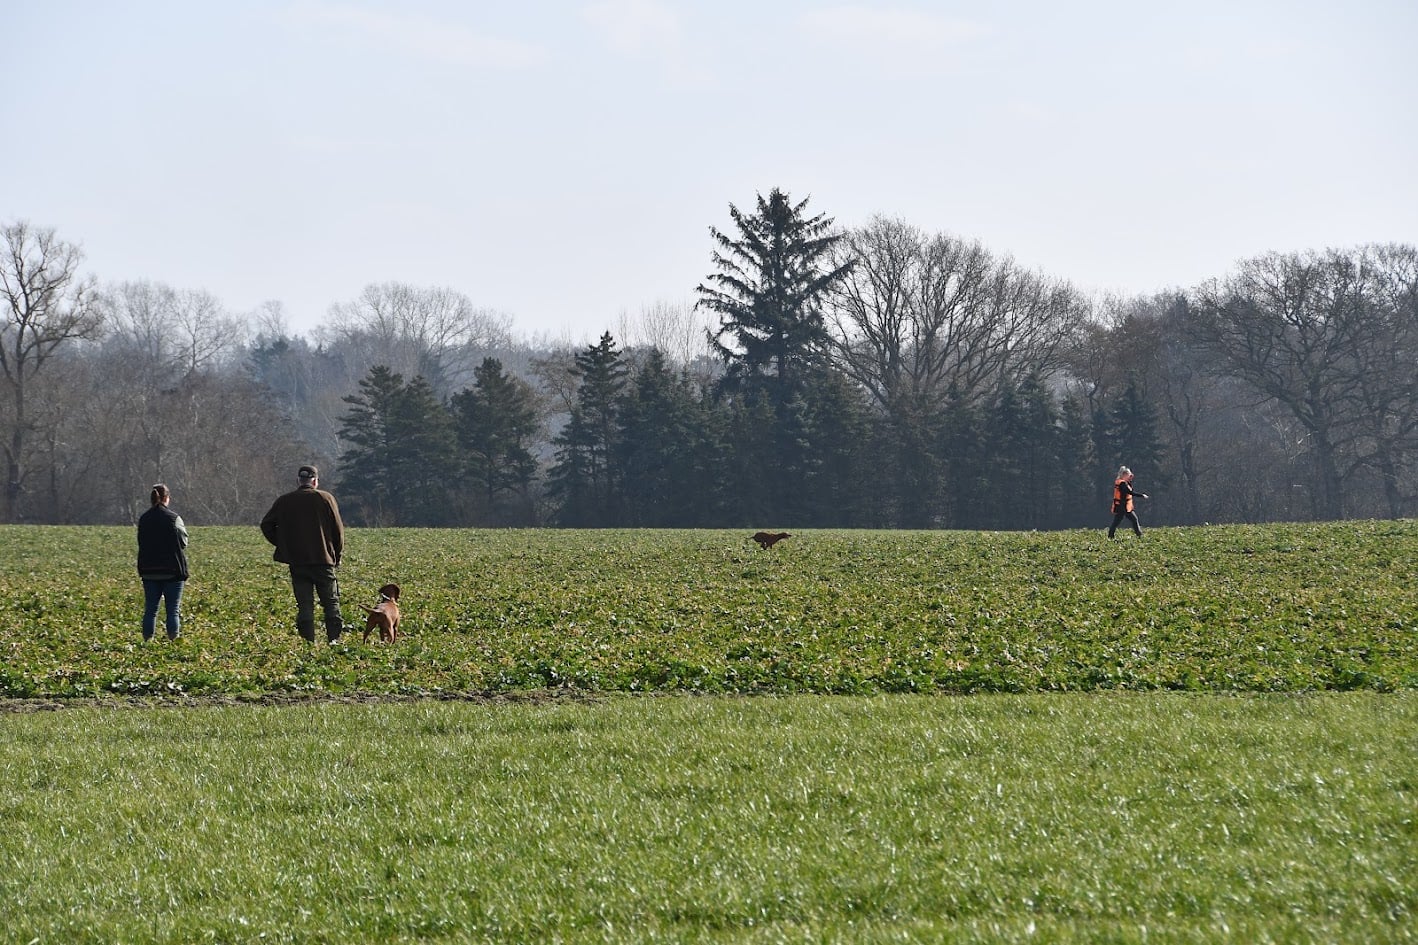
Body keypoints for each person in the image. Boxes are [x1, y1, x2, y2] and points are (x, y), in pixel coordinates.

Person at [260, 464, 346, 643]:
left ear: (299, 481)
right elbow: (338, 531)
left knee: (305, 605)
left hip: (298, 562)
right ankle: (334, 641)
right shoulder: (326, 498)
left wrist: (285, 545)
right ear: (315, 481)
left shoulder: (285, 501)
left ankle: (309, 643)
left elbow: (266, 525)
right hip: (324, 561)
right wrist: (337, 555)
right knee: (331, 603)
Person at [137, 483, 189, 641]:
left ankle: (147, 641)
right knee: (172, 610)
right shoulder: (174, 518)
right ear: (167, 498)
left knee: (150, 609)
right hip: (172, 570)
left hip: (149, 570)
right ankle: (173, 640)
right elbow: (183, 542)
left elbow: (141, 541)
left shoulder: (144, 519)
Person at [1108, 465, 1149, 539]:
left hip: (1124, 506)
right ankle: (1139, 535)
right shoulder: (1122, 484)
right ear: (1124, 475)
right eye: (1129, 475)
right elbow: (1130, 492)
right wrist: (1142, 495)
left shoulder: (1123, 483)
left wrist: (1129, 481)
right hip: (1122, 507)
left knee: (1130, 520)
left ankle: (1111, 536)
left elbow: (1130, 489)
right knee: (1119, 521)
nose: (1130, 476)